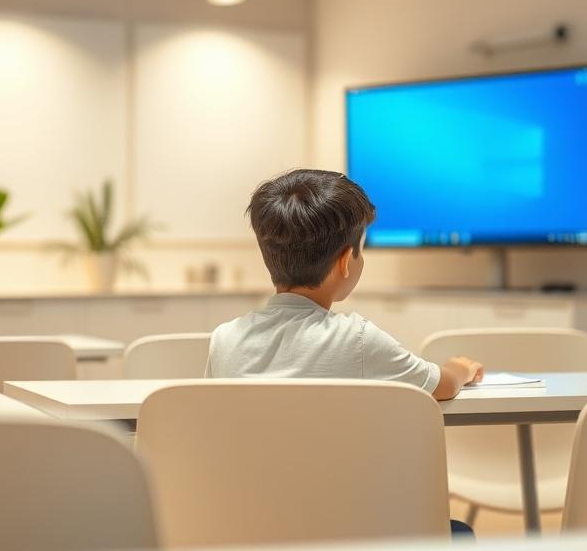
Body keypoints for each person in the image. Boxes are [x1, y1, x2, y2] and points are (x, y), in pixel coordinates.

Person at [206, 168, 485, 401]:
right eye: (359, 251)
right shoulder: (358, 339)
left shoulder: (225, 338)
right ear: (345, 262)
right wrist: (460, 368)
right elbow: (443, 386)